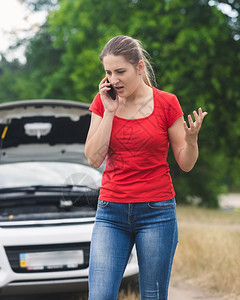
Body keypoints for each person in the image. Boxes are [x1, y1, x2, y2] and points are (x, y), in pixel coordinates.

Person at [85, 35, 207, 300]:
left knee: (152, 295)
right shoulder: (103, 101)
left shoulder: (166, 103)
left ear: (139, 68)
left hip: (157, 212)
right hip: (111, 213)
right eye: (108, 72)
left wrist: (191, 140)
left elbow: (185, 163)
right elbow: (93, 159)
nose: (114, 79)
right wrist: (109, 112)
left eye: (120, 71)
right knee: (100, 295)